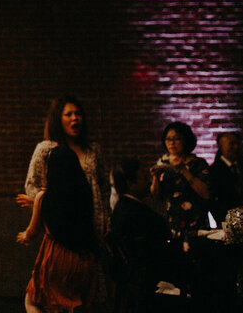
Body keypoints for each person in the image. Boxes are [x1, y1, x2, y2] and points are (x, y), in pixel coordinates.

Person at [17, 146, 99, 313]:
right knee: (71, 306)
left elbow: (33, 232)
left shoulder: (44, 197)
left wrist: (24, 236)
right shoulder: (84, 193)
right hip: (83, 258)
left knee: (32, 301)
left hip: (56, 258)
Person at [17, 97, 110, 242]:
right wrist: (44, 202)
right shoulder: (46, 150)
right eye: (68, 114)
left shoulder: (93, 150)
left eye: (78, 114)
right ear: (58, 119)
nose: (75, 118)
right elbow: (32, 185)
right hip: (62, 225)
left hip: (93, 222)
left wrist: (107, 217)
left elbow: (104, 187)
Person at [108, 158, 187, 292]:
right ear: (130, 184)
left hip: (138, 276)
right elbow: (156, 251)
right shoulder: (137, 213)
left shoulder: (124, 207)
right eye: (144, 178)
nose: (149, 182)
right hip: (152, 278)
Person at [150, 121, 211, 245]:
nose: (172, 143)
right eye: (168, 139)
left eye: (177, 139)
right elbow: (156, 197)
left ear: (186, 140)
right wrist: (155, 178)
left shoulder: (197, 163)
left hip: (194, 220)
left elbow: (206, 194)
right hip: (171, 221)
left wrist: (183, 170)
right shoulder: (162, 163)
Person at [207, 131, 243, 226]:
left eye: (237, 143)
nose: (236, 147)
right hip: (225, 220)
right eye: (231, 144)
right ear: (220, 146)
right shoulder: (213, 171)